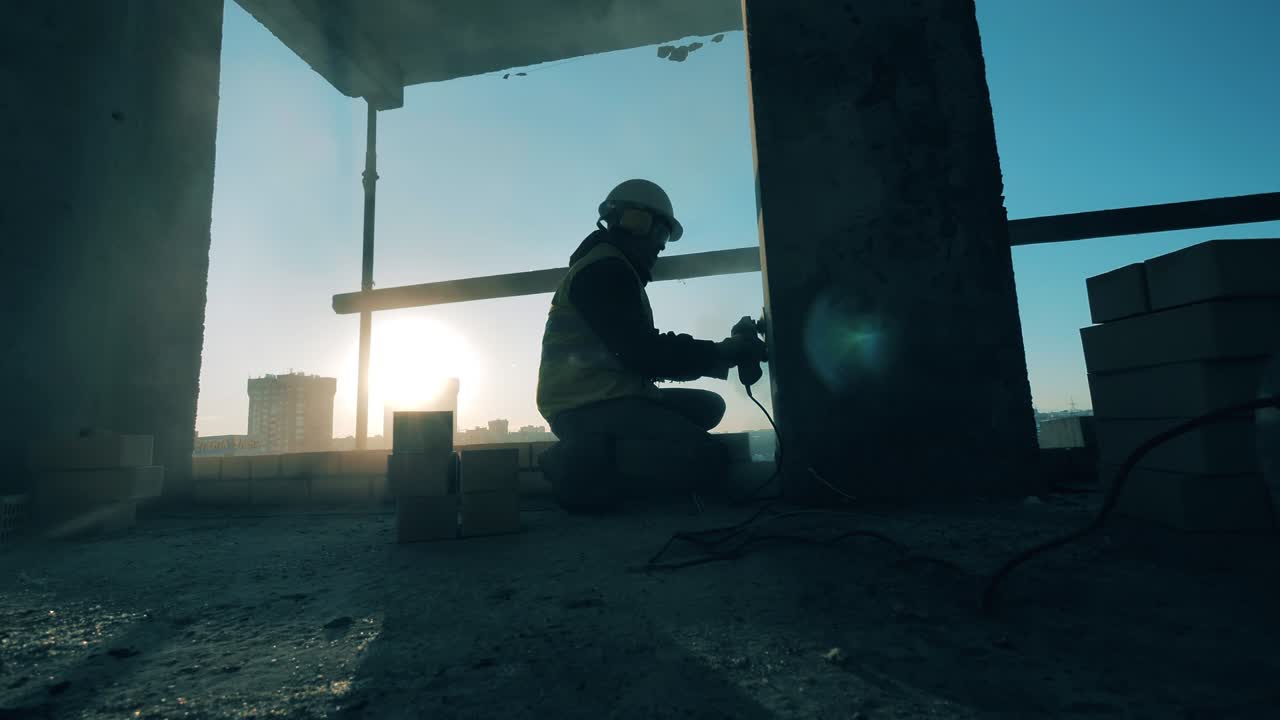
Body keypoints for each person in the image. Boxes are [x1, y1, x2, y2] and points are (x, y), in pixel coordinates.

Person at [535, 179, 767, 512]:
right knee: (708, 460)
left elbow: (641, 352)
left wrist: (721, 353)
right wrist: (723, 351)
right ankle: (575, 465)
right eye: (660, 234)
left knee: (709, 407)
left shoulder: (614, 268)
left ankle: (603, 450)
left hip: (606, 394)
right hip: (585, 405)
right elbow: (645, 354)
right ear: (635, 222)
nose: (662, 247)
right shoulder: (604, 271)